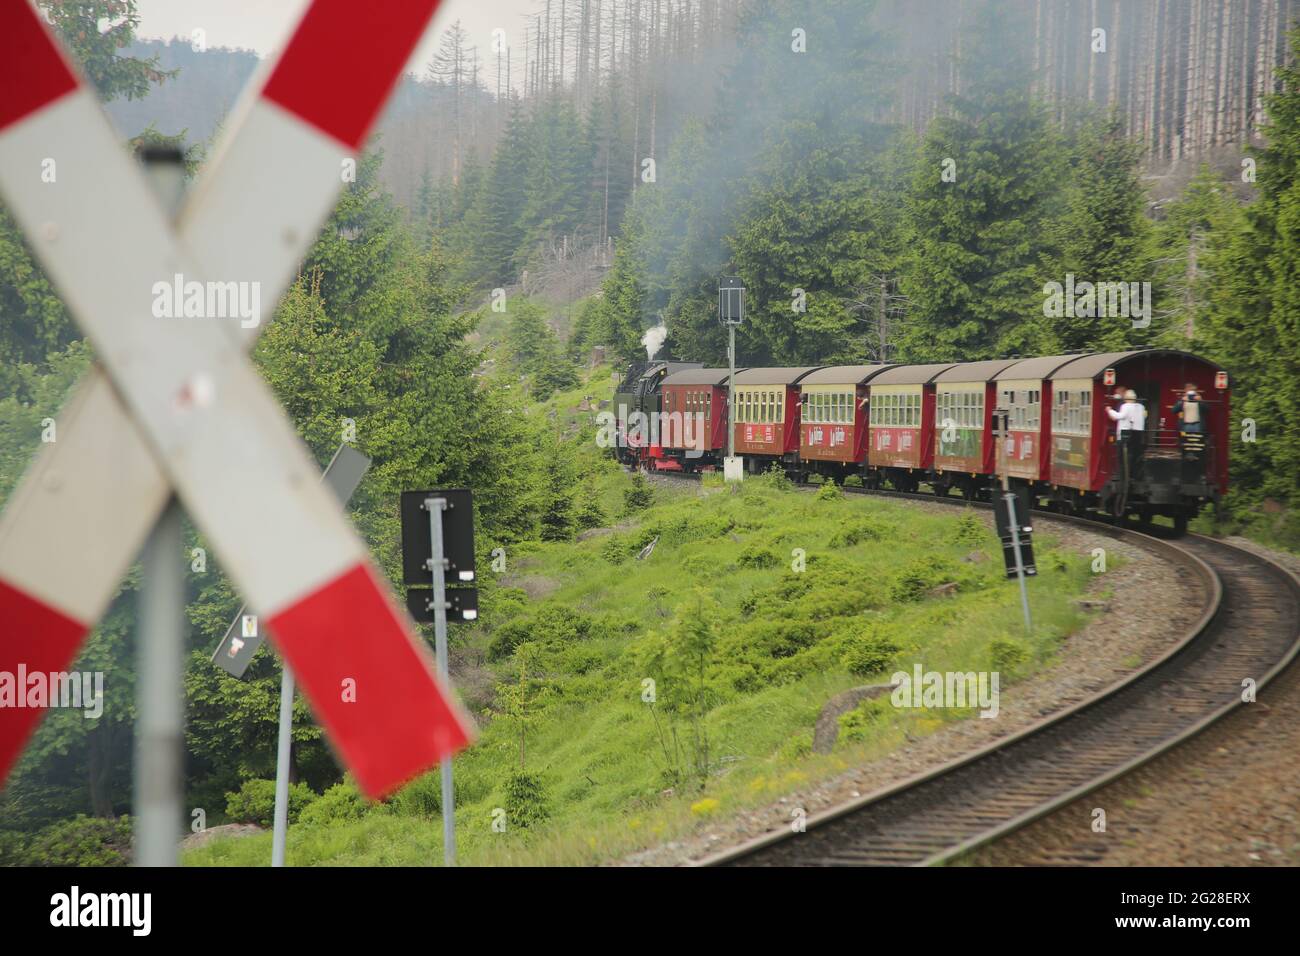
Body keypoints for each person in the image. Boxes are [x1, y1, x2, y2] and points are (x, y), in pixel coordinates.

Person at [1106, 388, 1147, 479]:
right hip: (1138, 433)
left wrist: (1109, 410)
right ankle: (1135, 475)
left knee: (1122, 457)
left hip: (1125, 434)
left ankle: (1123, 475)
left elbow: (1119, 416)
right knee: (1136, 455)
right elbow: (1144, 417)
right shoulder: (1141, 407)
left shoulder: (1125, 406)